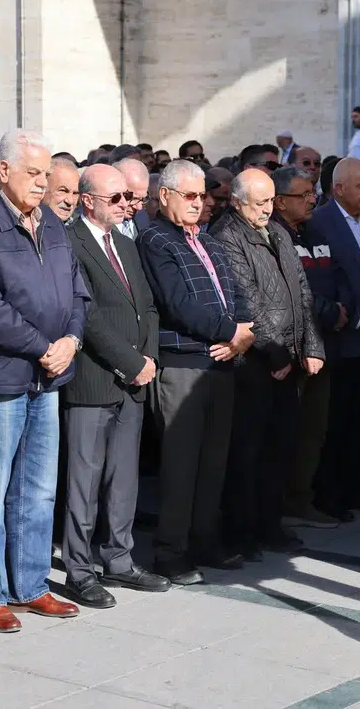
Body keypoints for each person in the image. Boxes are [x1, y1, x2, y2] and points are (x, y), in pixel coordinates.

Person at [0, 129, 89, 633]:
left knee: (38, 490)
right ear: (3, 171)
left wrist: (71, 340)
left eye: (46, 174)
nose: (42, 183)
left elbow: (78, 292)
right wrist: (42, 346)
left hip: (49, 377)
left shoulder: (50, 221)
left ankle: (31, 585)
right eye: (33, 173)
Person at [138, 160, 254, 584]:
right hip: (183, 365)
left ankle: (205, 540)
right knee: (181, 466)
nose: (198, 203)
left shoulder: (205, 239)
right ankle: (170, 552)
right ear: (164, 195)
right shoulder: (155, 240)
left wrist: (244, 331)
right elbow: (176, 304)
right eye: (189, 195)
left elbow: (236, 292)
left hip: (221, 361)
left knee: (213, 463)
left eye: (202, 196)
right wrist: (231, 331)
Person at [59, 164, 169, 608]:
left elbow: (148, 308)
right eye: (117, 198)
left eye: (129, 198)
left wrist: (150, 359)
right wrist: (129, 362)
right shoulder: (69, 242)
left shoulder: (126, 243)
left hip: (134, 380)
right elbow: (86, 314)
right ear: (88, 200)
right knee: (83, 480)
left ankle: (119, 559)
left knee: (124, 477)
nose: (127, 206)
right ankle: (79, 569)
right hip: (94, 378)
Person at [209, 169, 325, 558]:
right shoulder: (227, 236)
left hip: (287, 357)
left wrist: (311, 344)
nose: (266, 208)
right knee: (247, 452)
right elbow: (245, 299)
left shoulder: (278, 233)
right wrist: (274, 352)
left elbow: (302, 293)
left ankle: (270, 524)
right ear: (238, 201)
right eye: (259, 202)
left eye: (271, 201)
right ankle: (242, 531)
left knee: (281, 446)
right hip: (254, 363)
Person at [306, 158, 360, 522]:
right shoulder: (320, 223)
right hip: (343, 338)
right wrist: (357, 319)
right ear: (338, 188)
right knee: (337, 422)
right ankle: (331, 493)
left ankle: (358, 488)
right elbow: (322, 283)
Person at [270, 167, 345, 529]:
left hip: (325, 344)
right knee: (288, 430)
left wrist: (343, 308)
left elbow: (337, 275)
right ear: (280, 201)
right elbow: (293, 291)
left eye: (313, 192)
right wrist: (330, 311)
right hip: (292, 347)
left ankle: (302, 497)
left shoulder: (317, 231)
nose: (312, 198)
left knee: (315, 428)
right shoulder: (274, 235)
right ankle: (279, 501)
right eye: (303, 195)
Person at [113, 158, 152, 238]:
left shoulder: (142, 216)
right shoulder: (94, 221)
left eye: (142, 199)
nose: (139, 207)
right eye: (133, 199)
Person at [44, 158, 81, 223]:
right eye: (63, 191)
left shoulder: (80, 227)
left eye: (75, 193)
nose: (70, 201)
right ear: (43, 188)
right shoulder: (25, 227)